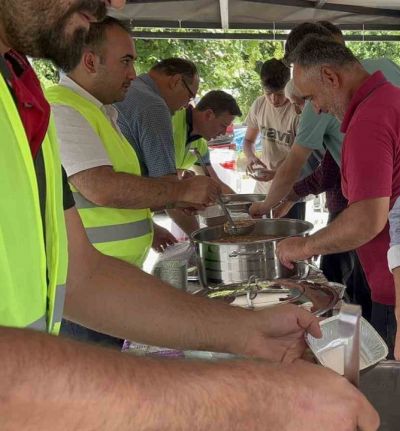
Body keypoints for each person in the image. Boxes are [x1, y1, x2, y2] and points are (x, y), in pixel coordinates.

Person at [0, 1, 378, 429]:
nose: (116, 3)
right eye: (125, 60)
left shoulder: (22, 95)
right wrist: (246, 394)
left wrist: (242, 329)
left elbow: (82, 275)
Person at [46, 18, 221, 347]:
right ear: (90, 61)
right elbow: (101, 187)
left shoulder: (101, 112)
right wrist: (181, 190)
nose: (133, 73)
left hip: (110, 283)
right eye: (126, 61)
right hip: (85, 293)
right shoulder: (62, 107)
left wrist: (146, 225)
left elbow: (85, 195)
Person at [249, 21, 400, 320]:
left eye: (310, 98)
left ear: (331, 77)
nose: (315, 110)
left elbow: (365, 222)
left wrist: (303, 247)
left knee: (394, 362)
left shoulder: (367, 122)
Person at [115, 57, 207, 235]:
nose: (185, 106)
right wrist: (202, 239)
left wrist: (153, 227)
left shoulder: (133, 92)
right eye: (189, 96)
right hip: (116, 234)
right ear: (176, 81)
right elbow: (167, 187)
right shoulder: (153, 106)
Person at [242, 58, 307, 219]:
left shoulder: (298, 109)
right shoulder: (259, 105)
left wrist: (277, 174)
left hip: (291, 190)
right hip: (263, 189)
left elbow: (304, 160)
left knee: (288, 240)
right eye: (268, 94)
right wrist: (251, 158)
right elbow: (248, 141)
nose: (274, 100)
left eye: (279, 94)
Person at [172, 89, 241, 193]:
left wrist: (244, 204)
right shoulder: (170, 121)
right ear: (208, 114)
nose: (223, 133)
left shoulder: (200, 146)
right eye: (223, 125)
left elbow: (215, 184)